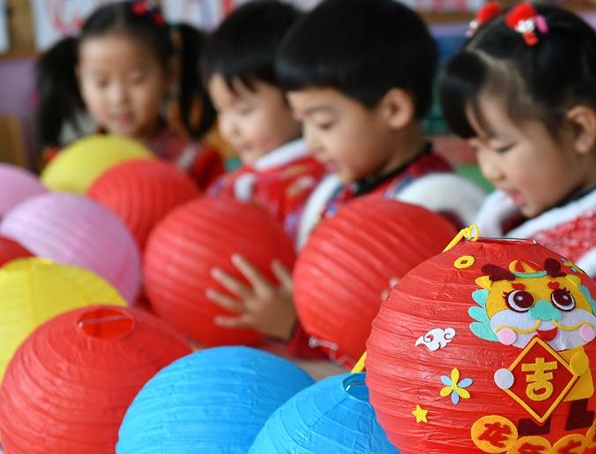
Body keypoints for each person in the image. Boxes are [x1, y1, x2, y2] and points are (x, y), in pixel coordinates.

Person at [208, 0, 485, 352]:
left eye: (324, 123)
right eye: (302, 121)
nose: (311, 142)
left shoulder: (441, 209)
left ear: (394, 109)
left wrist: (294, 328)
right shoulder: (329, 194)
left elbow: (430, 347)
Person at [439, 2, 596, 338]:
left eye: (501, 148)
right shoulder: (511, 212)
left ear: (579, 130)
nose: (490, 170)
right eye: (477, 148)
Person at [35, 0, 223, 188]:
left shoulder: (198, 163)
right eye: (101, 82)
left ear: (171, 74)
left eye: (136, 79)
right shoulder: (69, 165)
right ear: (80, 79)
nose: (118, 98)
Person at [202, 0, 326, 243]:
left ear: (295, 99)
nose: (229, 128)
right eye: (220, 110)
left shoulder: (315, 186)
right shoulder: (235, 179)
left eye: (244, 110)